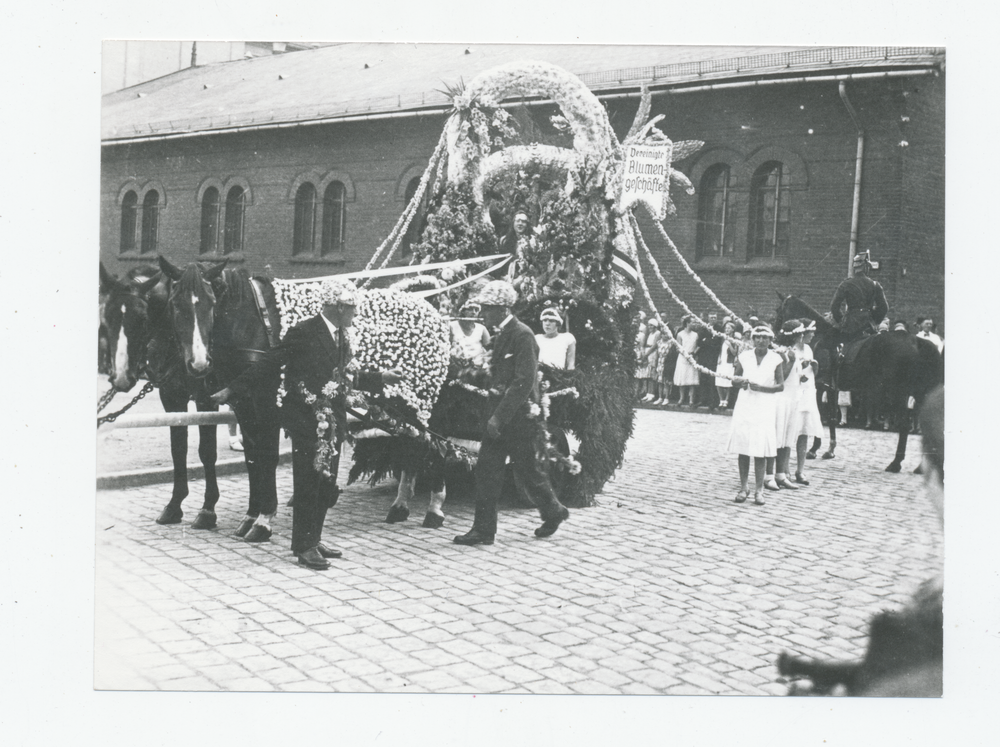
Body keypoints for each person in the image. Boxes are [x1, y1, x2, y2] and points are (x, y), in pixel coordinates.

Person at [212, 279, 402, 570]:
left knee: (326, 483)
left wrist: (381, 378)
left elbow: (347, 378)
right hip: (307, 420)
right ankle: (304, 546)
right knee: (308, 483)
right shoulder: (304, 332)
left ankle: (315, 538)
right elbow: (270, 363)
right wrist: (232, 390)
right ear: (337, 308)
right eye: (352, 308)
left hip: (333, 421)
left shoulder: (341, 336)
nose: (355, 314)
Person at [454, 280, 570, 546]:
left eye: (487, 308)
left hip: (518, 420)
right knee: (487, 472)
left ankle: (553, 510)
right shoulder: (500, 335)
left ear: (503, 309)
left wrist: (498, 417)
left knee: (529, 472)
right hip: (501, 418)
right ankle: (483, 530)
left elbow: (524, 381)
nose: (483, 313)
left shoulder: (522, 335)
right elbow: (496, 376)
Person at [727, 323, 786, 506]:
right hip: (745, 404)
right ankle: (744, 487)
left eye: (765, 337)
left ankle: (759, 490)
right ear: (753, 340)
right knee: (744, 447)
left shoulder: (776, 359)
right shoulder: (744, 356)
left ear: (770, 340)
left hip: (765, 406)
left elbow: (780, 385)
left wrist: (762, 388)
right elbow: (734, 381)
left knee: (760, 449)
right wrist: (740, 383)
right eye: (757, 337)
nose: (761, 340)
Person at [791, 319, 824, 484]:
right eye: (811, 331)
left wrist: (814, 369)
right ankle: (781, 471)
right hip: (794, 394)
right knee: (789, 431)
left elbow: (811, 375)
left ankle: (800, 470)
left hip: (807, 394)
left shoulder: (809, 349)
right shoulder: (791, 349)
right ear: (802, 333)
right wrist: (799, 372)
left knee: (803, 432)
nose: (813, 334)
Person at [830, 252, 889, 342]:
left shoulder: (846, 284)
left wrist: (842, 321)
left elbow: (834, 306)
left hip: (850, 326)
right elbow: (884, 308)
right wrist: (875, 321)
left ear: (855, 268)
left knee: (841, 349)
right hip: (869, 325)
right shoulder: (875, 285)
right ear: (866, 267)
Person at [450, 302, 491, 367]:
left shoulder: (482, 328)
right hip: (457, 367)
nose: (473, 312)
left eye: (476, 310)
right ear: (463, 311)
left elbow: (490, 350)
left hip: (478, 368)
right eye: (470, 309)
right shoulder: (452, 326)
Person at [673, 315, 701, 406]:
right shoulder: (680, 334)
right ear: (687, 323)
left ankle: (691, 400)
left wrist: (693, 354)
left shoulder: (695, 334)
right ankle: (681, 398)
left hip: (692, 358)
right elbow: (678, 348)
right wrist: (685, 354)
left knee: (691, 380)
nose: (694, 324)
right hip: (683, 358)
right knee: (682, 379)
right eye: (692, 322)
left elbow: (697, 346)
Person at [715, 321, 741, 409]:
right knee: (719, 381)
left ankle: (726, 400)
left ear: (733, 330)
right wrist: (718, 358)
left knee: (728, 382)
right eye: (725, 328)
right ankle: (721, 400)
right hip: (721, 362)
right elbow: (719, 350)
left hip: (729, 363)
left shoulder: (735, 340)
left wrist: (730, 345)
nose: (726, 330)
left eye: (729, 328)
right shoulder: (722, 338)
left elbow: (734, 353)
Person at [640, 319, 662, 402]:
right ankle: (648, 393)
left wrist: (647, 354)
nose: (650, 327)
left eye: (652, 325)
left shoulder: (658, 333)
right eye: (649, 325)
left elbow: (655, 345)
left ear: (655, 326)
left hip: (653, 353)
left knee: (653, 374)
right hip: (648, 352)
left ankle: (652, 394)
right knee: (648, 374)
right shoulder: (650, 334)